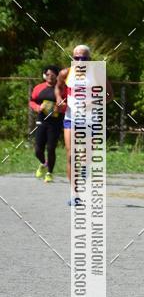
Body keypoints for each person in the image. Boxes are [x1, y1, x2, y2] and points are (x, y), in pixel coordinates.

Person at [55, 44, 113, 204]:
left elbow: (109, 95)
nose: (80, 61)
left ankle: (85, 168)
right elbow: (58, 87)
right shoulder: (66, 73)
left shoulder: (97, 74)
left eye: (84, 58)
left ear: (90, 59)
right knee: (70, 155)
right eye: (77, 58)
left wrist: (93, 102)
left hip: (90, 119)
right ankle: (74, 194)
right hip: (71, 118)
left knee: (86, 157)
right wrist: (59, 99)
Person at [29, 64, 64, 182]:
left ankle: (49, 173)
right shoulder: (39, 88)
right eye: (48, 74)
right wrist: (38, 107)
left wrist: (60, 108)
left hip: (55, 122)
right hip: (41, 120)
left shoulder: (61, 88)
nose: (50, 77)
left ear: (57, 76)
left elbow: (68, 103)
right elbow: (32, 101)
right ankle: (44, 163)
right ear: (44, 75)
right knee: (38, 149)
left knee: (51, 148)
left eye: (53, 75)